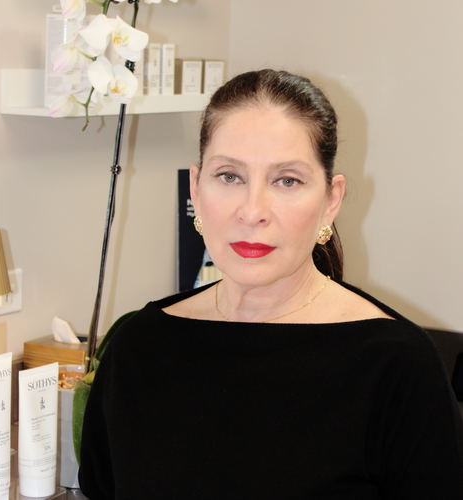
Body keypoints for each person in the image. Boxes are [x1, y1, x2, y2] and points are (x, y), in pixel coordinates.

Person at [78, 69, 463, 499]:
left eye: (287, 180)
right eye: (229, 176)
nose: (253, 211)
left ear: (331, 201)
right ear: (196, 189)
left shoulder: (398, 367)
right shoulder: (137, 350)